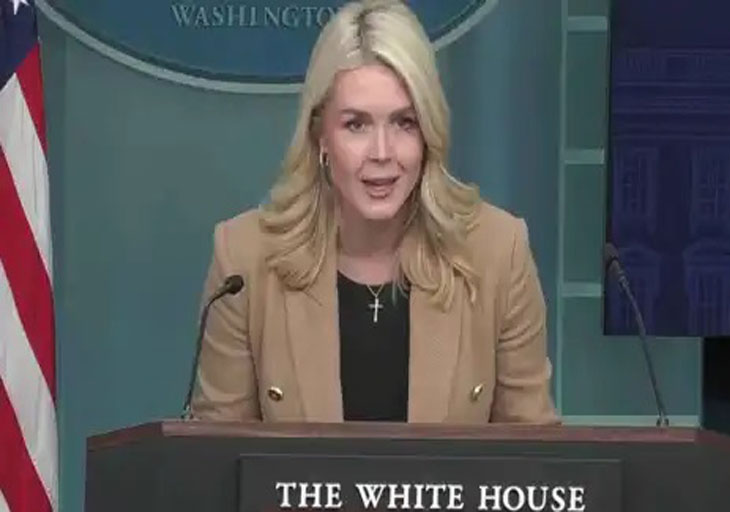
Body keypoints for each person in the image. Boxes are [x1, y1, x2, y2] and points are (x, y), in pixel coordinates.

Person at [190, 0, 559, 424]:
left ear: (429, 133)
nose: (382, 153)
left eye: (404, 123)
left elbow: (533, 454)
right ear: (320, 135)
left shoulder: (498, 253)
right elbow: (214, 454)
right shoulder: (244, 262)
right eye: (356, 125)